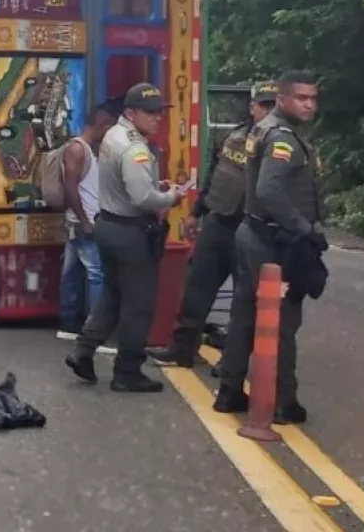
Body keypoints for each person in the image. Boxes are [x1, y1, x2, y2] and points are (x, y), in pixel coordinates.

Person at [213, 70, 322, 423]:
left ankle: (229, 391)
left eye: (313, 98)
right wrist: (304, 229)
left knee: (245, 315)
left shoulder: (263, 128)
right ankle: (282, 401)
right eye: (301, 98)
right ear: (283, 99)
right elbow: (269, 190)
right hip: (273, 243)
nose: (309, 105)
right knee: (282, 321)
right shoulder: (281, 139)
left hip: (253, 232)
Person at [64, 83, 186, 393]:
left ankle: (83, 350)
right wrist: (171, 197)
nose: (157, 118)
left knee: (113, 294)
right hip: (131, 232)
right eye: (150, 112)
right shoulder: (135, 148)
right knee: (139, 304)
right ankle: (127, 371)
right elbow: (143, 199)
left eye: (159, 112)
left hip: (108, 224)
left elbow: (126, 182)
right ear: (130, 113)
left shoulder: (113, 135)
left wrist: (152, 185)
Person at [151, 80, 277, 368]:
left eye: (273, 107)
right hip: (218, 223)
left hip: (252, 229)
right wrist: (196, 212)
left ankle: (232, 362)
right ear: (253, 107)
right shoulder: (234, 136)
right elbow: (214, 177)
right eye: (264, 105)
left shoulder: (278, 145)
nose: (268, 112)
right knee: (196, 288)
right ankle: (182, 349)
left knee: (244, 300)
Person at [57, 99, 122, 338]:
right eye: (110, 127)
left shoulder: (88, 150)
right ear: (102, 123)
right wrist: (84, 219)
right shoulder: (78, 149)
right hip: (83, 222)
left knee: (72, 272)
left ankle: (68, 323)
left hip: (79, 221)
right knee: (96, 274)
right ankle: (95, 328)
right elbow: (70, 186)